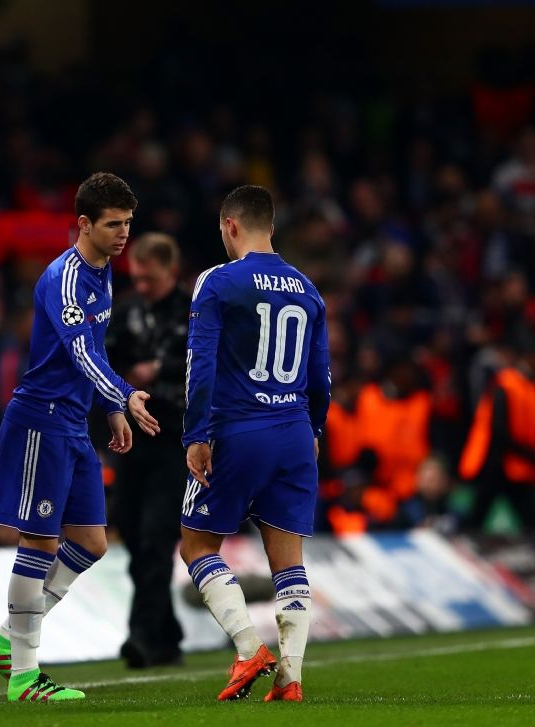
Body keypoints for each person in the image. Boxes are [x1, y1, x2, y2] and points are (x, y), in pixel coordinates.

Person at [0, 172, 160, 702]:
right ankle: (24, 676)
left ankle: (7, 639)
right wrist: (124, 393)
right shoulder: (63, 278)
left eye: (128, 223)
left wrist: (110, 407)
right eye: (113, 224)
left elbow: (94, 353)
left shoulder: (104, 272)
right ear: (84, 224)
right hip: (41, 420)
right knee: (39, 540)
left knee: (92, 542)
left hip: (74, 421)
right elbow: (80, 351)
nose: (124, 234)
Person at [179, 185, 330, 703]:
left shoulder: (219, 281)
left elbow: (199, 363)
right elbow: (321, 377)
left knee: (197, 545)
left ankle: (249, 649)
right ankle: (291, 677)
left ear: (230, 226)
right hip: (294, 433)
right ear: (272, 226)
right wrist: (314, 431)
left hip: (238, 431)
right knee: (288, 560)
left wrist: (196, 434)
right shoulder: (307, 288)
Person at [105, 232, 191, 668]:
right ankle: (167, 632)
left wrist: (160, 369)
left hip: (174, 439)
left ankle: (140, 636)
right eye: (136, 279)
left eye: (149, 279)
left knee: (157, 537)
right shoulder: (125, 312)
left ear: (171, 271)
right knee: (133, 535)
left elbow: (212, 361)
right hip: (132, 440)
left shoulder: (195, 311)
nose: (141, 287)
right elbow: (104, 363)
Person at [458, 345, 535, 530]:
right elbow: (499, 433)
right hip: (494, 462)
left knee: (528, 517)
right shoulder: (504, 385)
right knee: (478, 516)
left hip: (514, 465)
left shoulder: (533, 386)